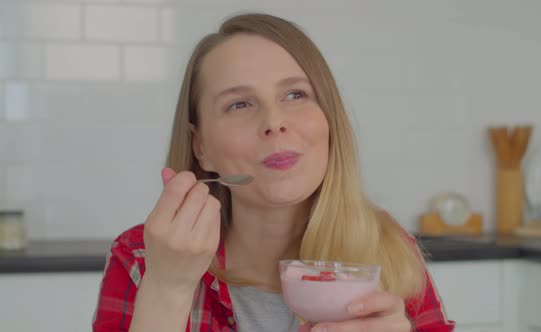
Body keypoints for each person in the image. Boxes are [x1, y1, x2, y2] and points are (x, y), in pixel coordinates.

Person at [92, 13, 455, 332]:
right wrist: (167, 288)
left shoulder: (389, 248)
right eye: (239, 104)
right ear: (200, 145)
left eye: (295, 95)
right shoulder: (141, 257)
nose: (274, 122)